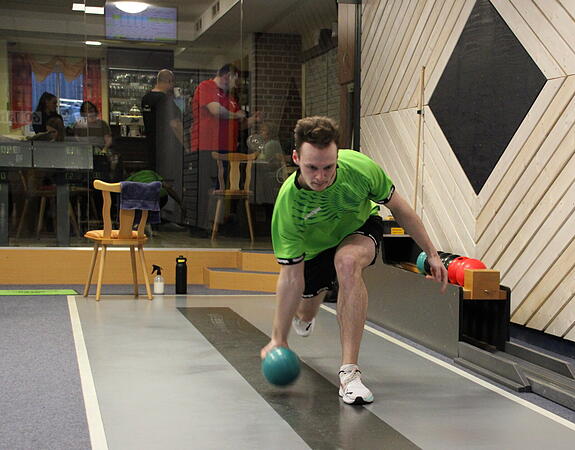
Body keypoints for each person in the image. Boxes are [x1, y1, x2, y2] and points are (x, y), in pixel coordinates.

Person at [261, 116, 448, 405]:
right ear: (296, 158)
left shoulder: (360, 168)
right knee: (306, 310)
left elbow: (400, 208)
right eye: (312, 168)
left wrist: (432, 254)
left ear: (337, 156)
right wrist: (278, 338)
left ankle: (350, 374)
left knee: (347, 263)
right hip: (313, 252)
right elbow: (291, 277)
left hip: (357, 229)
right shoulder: (289, 205)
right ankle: (306, 315)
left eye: (328, 167)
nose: (321, 177)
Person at [190, 64, 259, 235]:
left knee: (221, 187)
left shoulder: (230, 98)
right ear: (228, 75)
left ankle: (216, 224)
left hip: (226, 150)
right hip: (207, 146)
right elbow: (216, 111)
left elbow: (238, 124)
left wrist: (252, 120)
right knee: (207, 187)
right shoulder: (206, 87)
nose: (238, 83)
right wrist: (236, 115)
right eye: (236, 78)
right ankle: (201, 225)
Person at [142, 69, 183, 159]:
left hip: (151, 145)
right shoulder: (166, 100)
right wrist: (185, 144)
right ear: (169, 81)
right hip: (166, 147)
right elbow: (175, 123)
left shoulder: (145, 98)